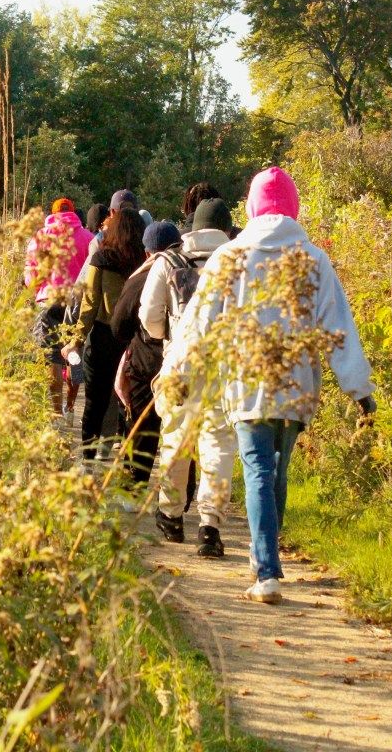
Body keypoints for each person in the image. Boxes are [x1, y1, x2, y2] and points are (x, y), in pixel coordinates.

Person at [160, 167, 377, 604]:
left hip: (244, 381)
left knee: (258, 470)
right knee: (276, 473)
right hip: (297, 384)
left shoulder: (230, 257)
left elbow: (197, 324)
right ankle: (267, 558)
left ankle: (266, 571)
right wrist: (360, 389)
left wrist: (178, 374)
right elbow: (339, 325)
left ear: (253, 207)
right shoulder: (314, 258)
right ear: (293, 206)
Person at [142, 198, 236, 554]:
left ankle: (171, 515)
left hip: (180, 364)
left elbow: (149, 316)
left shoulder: (169, 261)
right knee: (218, 444)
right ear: (227, 229)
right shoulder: (238, 263)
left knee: (176, 439)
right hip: (225, 366)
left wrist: (167, 337)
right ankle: (210, 525)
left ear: (192, 228)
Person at [68, 204, 146, 460]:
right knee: (129, 402)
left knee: (95, 401)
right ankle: (123, 456)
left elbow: (89, 303)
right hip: (134, 339)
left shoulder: (101, 258)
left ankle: (88, 458)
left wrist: (77, 339)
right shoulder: (145, 262)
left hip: (102, 336)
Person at [109, 221, 182, 485]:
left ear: (148, 252)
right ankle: (181, 492)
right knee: (183, 429)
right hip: (184, 359)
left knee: (142, 426)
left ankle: (134, 485)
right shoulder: (193, 271)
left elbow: (119, 326)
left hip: (147, 359)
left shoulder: (142, 277)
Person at [25, 197, 95, 416]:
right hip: (76, 302)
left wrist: (38, 291)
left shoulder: (39, 238)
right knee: (73, 353)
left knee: (52, 357)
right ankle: (71, 407)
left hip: (48, 301)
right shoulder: (88, 238)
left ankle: (56, 412)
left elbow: (30, 272)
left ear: (52, 214)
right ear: (73, 213)